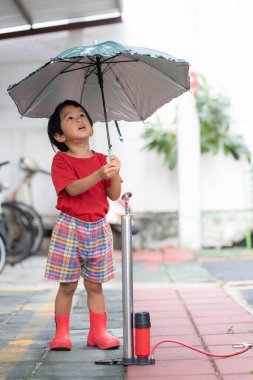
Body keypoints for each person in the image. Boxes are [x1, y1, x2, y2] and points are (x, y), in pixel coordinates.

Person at [45, 99, 121, 351]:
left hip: (98, 227)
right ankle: (62, 334)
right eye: (70, 118)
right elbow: (73, 189)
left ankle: (98, 333)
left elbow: (113, 194)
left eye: (82, 115)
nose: (80, 119)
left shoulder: (102, 159)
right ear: (59, 135)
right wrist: (100, 174)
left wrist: (114, 173)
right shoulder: (61, 161)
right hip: (70, 227)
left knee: (94, 284)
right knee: (67, 284)